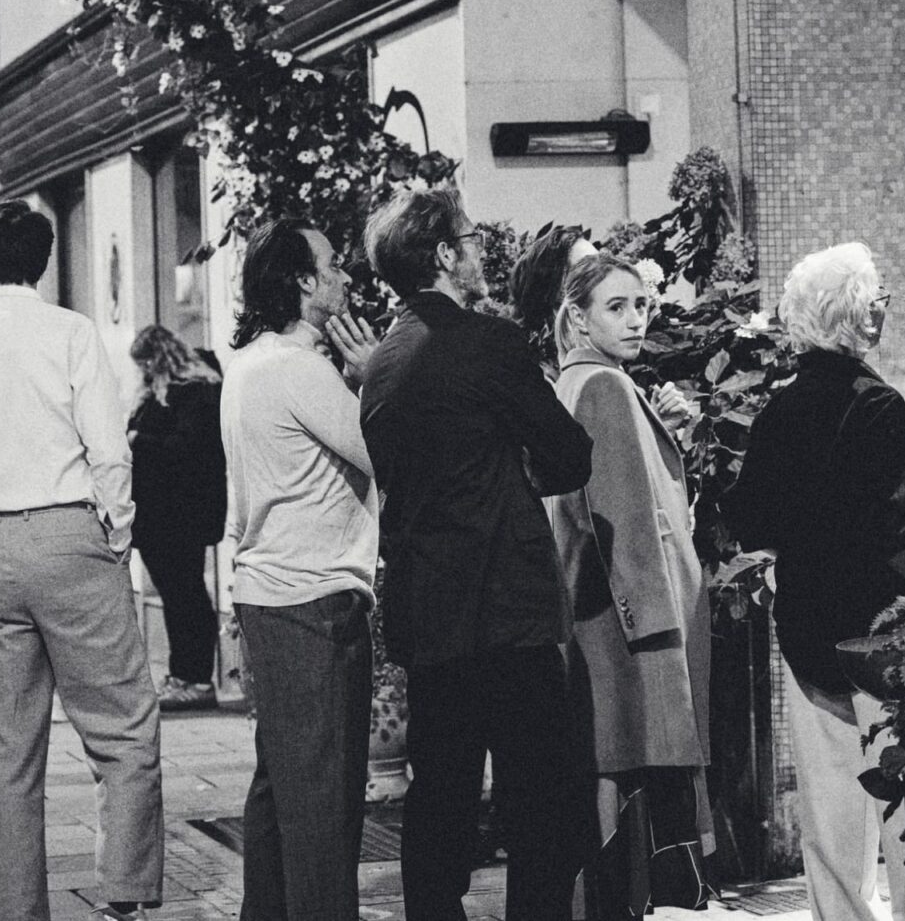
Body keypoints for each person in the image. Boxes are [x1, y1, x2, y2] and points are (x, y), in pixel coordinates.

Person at [722, 243, 905, 921]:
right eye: (876, 293)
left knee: (829, 807)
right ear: (853, 314)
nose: (883, 303)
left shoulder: (779, 411)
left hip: (808, 632)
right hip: (885, 634)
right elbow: (899, 528)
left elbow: (750, 514)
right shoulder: (876, 405)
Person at [0, 199, 162, 921]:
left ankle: (17, 910)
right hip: (72, 534)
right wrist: (115, 534)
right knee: (122, 727)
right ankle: (124, 891)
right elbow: (109, 450)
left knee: (11, 750)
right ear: (46, 259)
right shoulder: (71, 334)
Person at [356, 188, 596, 921]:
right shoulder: (486, 344)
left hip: (430, 615)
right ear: (444, 257)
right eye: (469, 237)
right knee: (541, 805)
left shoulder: (383, 361)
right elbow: (569, 453)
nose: (481, 246)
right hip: (505, 611)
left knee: (441, 799)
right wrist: (520, 470)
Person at [520, 245, 714, 916]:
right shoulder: (604, 388)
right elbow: (627, 523)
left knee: (612, 792)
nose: (637, 321)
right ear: (576, 317)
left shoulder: (574, 384)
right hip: (639, 634)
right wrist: (660, 648)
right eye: (617, 307)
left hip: (603, 628)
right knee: (644, 802)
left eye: (642, 305)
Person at [221, 221, 381, 921]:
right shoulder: (296, 369)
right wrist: (375, 372)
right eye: (333, 265)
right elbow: (387, 450)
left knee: (282, 787)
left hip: (273, 594)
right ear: (304, 283)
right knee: (324, 797)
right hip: (312, 600)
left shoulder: (254, 363)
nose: (345, 277)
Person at [127, 324, 228, 712]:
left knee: (186, 596)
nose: (145, 371)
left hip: (180, 515)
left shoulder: (195, 393)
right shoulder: (165, 393)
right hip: (161, 516)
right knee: (176, 595)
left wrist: (138, 441)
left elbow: (186, 449)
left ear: (162, 356)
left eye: (147, 362)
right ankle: (182, 674)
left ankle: (195, 678)